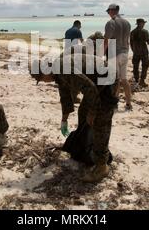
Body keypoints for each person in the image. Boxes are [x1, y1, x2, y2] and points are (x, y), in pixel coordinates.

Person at [30, 54, 118, 182]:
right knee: (83, 112)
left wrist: (93, 112)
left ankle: (101, 166)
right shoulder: (56, 73)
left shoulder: (62, 69)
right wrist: (64, 119)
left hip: (107, 81)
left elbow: (90, 88)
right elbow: (65, 96)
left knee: (100, 122)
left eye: (41, 78)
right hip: (96, 84)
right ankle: (87, 144)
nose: (44, 81)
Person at [104, 4, 132, 111]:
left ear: (113, 11)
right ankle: (128, 104)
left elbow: (106, 40)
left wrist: (102, 53)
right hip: (125, 53)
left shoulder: (111, 23)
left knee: (114, 81)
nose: (108, 13)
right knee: (124, 79)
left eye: (108, 11)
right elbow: (127, 40)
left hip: (114, 54)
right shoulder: (127, 23)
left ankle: (114, 104)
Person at [130, 18, 149, 88]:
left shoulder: (132, 32)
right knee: (145, 66)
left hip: (136, 52)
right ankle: (142, 81)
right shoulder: (145, 32)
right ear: (140, 23)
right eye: (143, 23)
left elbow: (131, 43)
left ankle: (136, 79)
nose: (144, 25)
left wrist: (133, 50)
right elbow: (148, 40)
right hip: (143, 52)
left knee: (135, 66)